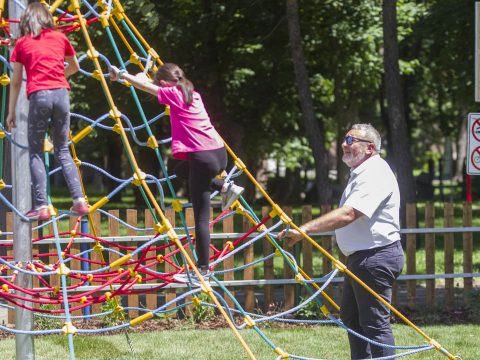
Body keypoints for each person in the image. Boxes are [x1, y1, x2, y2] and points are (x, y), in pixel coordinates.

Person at [278, 124, 404, 359]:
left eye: (351, 139)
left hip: (375, 257)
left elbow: (349, 214)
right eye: (344, 138)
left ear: (370, 148)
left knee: (374, 325)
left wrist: (303, 229)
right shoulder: (362, 172)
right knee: (353, 320)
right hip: (363, 257)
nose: (344, 144)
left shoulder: (375, 172)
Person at [109, 63, 244, 282]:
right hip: (219, 154)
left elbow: (148, 89)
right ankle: (226, 186)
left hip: (202, 157)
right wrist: (140, 77)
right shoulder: (193, 93)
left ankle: (202, 271)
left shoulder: (173, 93)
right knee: (181, 170)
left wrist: (122, 75)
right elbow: (149, 86)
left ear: (163, 83)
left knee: (201, 218)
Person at [6, 2, 88, 221]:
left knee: (35, 151)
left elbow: (15, 82)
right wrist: (58, 79)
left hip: (39, 96)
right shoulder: (60, 38)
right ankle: (79, 200)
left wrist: (11, 111)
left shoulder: (22, 44)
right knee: (62, 150)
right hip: (62, 94)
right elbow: (74, 66)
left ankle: (41, 205)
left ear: (26, 21)